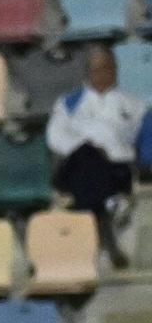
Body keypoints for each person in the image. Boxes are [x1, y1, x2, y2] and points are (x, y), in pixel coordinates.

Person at [46, 44, 142, 268]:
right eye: (97, 69)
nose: (102, 74)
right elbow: (56, 136)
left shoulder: (133, 105)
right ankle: (109, 214)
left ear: (116, 70)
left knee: (93, 170)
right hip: (78, 166)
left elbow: (131, 141)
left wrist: (102, 145)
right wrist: (90, 145)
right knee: (87, 156)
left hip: (115, 167)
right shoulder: (68, 103)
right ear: (87, 73)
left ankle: (95, 235)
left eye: (107, 68)